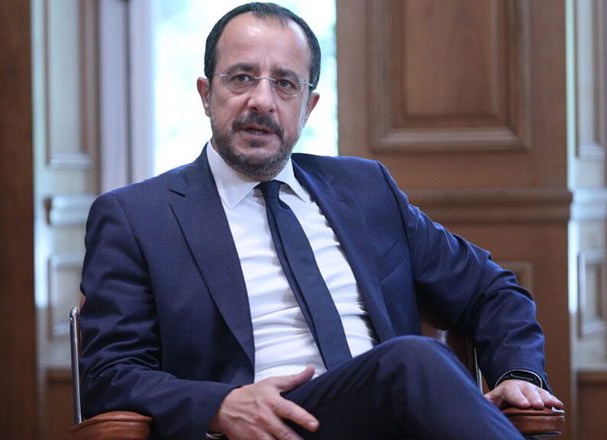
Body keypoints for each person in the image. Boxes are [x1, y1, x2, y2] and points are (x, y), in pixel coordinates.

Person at [79, 3, 563, 439]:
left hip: (392, 416)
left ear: (308, 106)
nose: (262, 101)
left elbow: (488, 288)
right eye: (241, 78)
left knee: (411, 363)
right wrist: (220, 404)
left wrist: (518, 374)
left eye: (285, 83)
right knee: (413, 359)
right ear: (207, 94)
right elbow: (109, 374)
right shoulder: (138, 217)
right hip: (259, 428)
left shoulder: (366, 191)